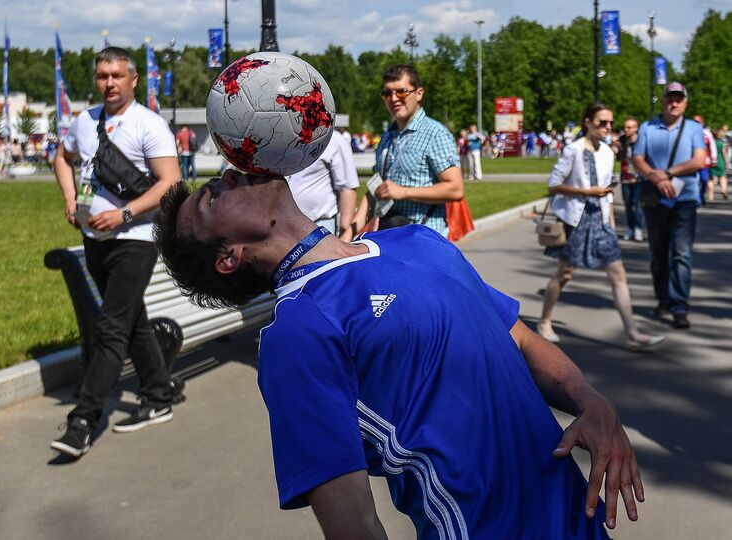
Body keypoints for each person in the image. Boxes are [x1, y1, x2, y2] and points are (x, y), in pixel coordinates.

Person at [153, 171, 644, 538]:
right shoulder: (296, 334)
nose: (230, 175)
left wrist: (589, 399)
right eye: (212, 197)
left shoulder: (415, 240)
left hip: (578, 520)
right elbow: (354, 525)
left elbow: (517, 337)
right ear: (228, 256)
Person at [50, 46, 181, 458]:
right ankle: (158, 394)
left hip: (137, 240)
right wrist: (72, 200)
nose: (109, 83)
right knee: (131, 321)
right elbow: (62, 157)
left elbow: (171, 184)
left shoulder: (149, 125)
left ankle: (83, 421)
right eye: (102, 76)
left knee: (111, 327)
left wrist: (125, 214)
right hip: (95, 237)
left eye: (117, 76)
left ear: (133, 80)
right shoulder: (84, 122)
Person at [537, 103, 664, 351]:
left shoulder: (607, 152)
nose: (608, 127)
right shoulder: (572, 150)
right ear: (588, 122)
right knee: (564, 274)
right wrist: (586, 191)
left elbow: (606, 192)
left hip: (601, 220)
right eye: (602, 122)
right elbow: (553, 184)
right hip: (577, 219)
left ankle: (633, 333)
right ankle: (544, 322)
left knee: (618, 273)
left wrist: (611, 221)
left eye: (610, 123)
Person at [633, 82, 706, 330]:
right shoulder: (647, 127)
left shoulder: (694, 128)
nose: (673, 103)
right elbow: (637, 159)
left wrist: (668, 172)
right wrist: (655, 177)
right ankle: (663, 297)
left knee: (682, 253)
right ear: (662, 100)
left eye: (679, 99)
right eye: (669, 98)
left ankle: (679, 306)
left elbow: (699, 160)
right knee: (658, 252)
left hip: (684, 199)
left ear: (685, 103)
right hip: (655, 199)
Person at [371, 64, 464, 237]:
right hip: (392, 235)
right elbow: (377, 185)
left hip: (425, 240)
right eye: (387, 93)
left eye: (401, 91)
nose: (394, 98)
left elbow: (455, 188)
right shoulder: (387, 136)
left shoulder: (435, 133)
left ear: (419, 93)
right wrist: (350, 232)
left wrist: (403, 192)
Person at [286, 130, 359, 242]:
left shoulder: (333, 139)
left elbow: (347, 188)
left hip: (319, 228)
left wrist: (345, 233)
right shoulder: (285, 138)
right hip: (285, 227)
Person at [614, 116, 645, 241]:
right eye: (625, 127)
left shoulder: (642, 140)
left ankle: (638, 228)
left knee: (638, 205)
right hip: (626, 177)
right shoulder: (622, 140)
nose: (626, 130)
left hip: (639, 178)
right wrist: (616, 148)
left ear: (636, 128)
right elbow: (618, 155)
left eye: (629, 127)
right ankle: (630, 228)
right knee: (627, 205)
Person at [693, 115, 716, 206]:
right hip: (692, 162)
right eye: (695, 122)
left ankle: (701, 196)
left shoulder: (707, 133)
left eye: (698, 122)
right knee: (694, 181)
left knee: (704, 180)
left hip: (704, 162)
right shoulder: (689, 132)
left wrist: (714, 159)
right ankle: (696, 199)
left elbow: (712, 146)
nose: (697, 124)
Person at [709, 127, 729, 201]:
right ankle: (723, 190)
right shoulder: (722, 144)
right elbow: (724, 154)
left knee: (710, 178)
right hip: (720, 162)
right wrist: (727, 163)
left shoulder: (711, 143)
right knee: (722, 177)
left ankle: (711, 196)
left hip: (712, 162)